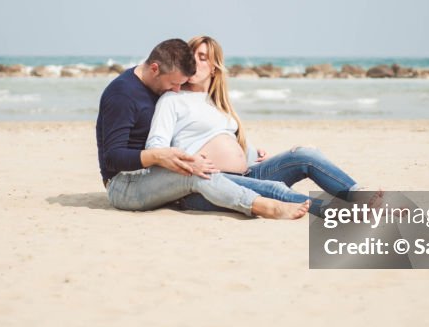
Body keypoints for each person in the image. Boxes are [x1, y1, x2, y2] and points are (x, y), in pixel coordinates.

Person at [145, 36, 381, 217]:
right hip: (206, 186)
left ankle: (364, 197)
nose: (195, 62)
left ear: (215, 67)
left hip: (246, 172)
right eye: (192, 55)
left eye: (203, 57)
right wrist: (190, 162)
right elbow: (157, 147)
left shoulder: (218, 103)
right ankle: (342, 213)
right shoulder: (172, 100)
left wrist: (250, 154)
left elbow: (223, 140)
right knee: (274, 188)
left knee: (305, 154)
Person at [97, 38, 310, 220]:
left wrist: (250, 153)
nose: (177, 90)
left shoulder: (159, 85)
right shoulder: (122, 95)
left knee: (199, 170)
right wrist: (159, 156)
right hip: (124, 185)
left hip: (154, 176)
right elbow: (113, 158)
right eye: (174, 83)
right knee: (195, 172)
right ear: (155, 68)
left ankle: (330, 207)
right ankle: (267, 207)